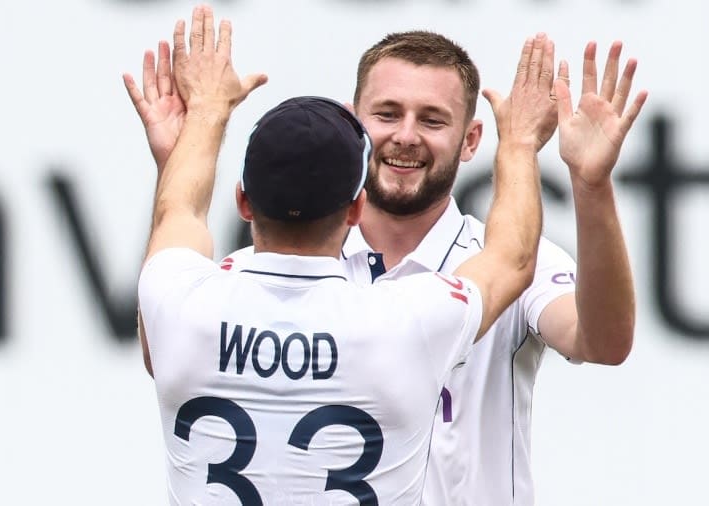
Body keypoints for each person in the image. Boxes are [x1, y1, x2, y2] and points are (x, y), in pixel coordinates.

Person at [126, 21, 647, 506]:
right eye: (388, 113)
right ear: (355, 124)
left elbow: (603, 341)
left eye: (432, 119)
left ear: (470, 140)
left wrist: (592, 186)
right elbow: (511, 259)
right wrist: (523, 144)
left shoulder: (215, 292)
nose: (406, 135)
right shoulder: (438, 299)